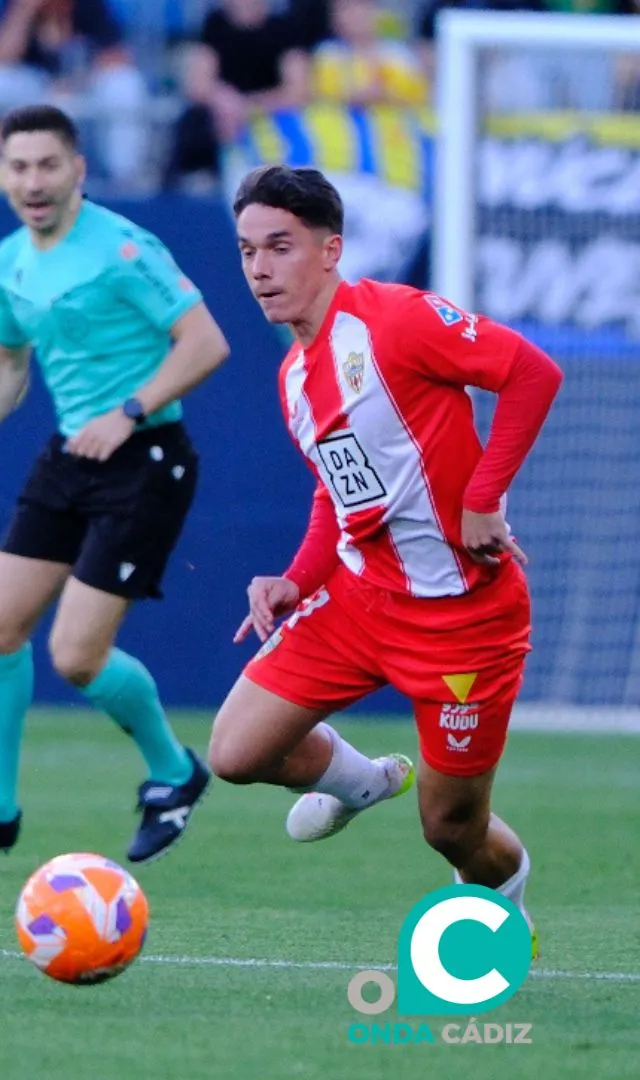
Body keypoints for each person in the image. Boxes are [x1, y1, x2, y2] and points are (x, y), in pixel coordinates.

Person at [213, 165, 561, 949]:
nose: (260, 269)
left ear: (331, 250)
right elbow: (339, 492)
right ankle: (362, 782)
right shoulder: (293, 376)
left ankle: (505, 896)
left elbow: (532, 373)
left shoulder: (396, 320)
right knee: (235, 753)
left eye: (280, 247)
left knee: (451, 829)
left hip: (465, 622)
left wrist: (483, 496)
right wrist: (296, 579)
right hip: (362, 603)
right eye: (247, 251)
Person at [0, 104, 231, 864]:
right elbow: (6, 362)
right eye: (18, 167)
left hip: (145, 457)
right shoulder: (10, 259)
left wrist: (128, 411)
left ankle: (175, 772)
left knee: (77, 656)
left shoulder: (122, 248)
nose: (32, 182)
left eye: (48, 165)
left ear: (78, 169)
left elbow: (205, 342)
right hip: (72, 455)